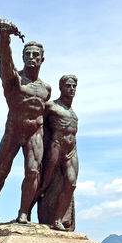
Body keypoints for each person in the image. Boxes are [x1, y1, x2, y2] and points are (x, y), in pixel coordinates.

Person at [0, 15, 52, 225]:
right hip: (14, 129)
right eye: (27, 54)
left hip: (34, 132)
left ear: (42, 59)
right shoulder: (14, 80)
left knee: (33, 171)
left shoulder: (46, 89)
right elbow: (4, 60)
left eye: (35, 54)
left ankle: (24, 212)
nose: (31, 57)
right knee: (2, 171)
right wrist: (4, 36)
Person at [36, 75, 78, 231]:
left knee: (71, 183)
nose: (72, 89)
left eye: (74, 86)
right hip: (56, 145)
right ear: (61, 87)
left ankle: (58, 219)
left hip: (71, 149)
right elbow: (38, 124)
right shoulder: (51, 106)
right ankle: (25, 211)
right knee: (44, 182)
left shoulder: (73, 112)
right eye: (68, 85)